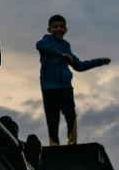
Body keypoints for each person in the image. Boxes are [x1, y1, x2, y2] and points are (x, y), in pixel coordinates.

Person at [36, 15, 111, 146]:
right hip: (49, 87)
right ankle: (54, 144)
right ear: (49, 29)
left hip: (65, 86)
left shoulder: (66, 46)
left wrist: (99, 62)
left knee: (70, 114)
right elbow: (40, 46)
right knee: (52, 117)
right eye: (55, 27)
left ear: (66, 29)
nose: (58, 29)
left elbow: (79, 65)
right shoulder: (46, 41)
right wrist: (60, 54)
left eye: (61, 26)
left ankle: (72, 143)